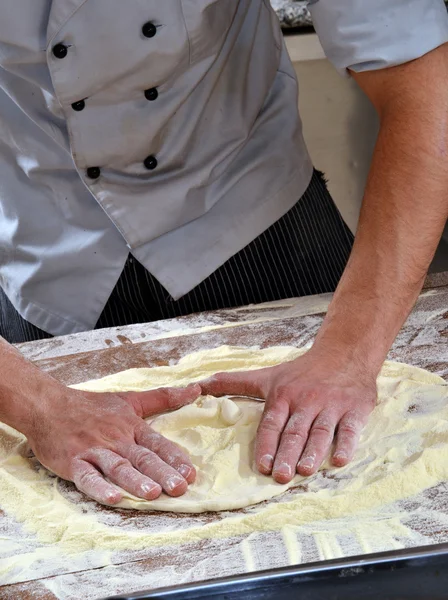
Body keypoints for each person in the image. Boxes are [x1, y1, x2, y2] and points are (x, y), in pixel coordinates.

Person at [1, 0, 447, 506]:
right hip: (44, 245)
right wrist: (37, 405)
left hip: (251, 214)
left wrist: (349, 353)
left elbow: (420, 84)